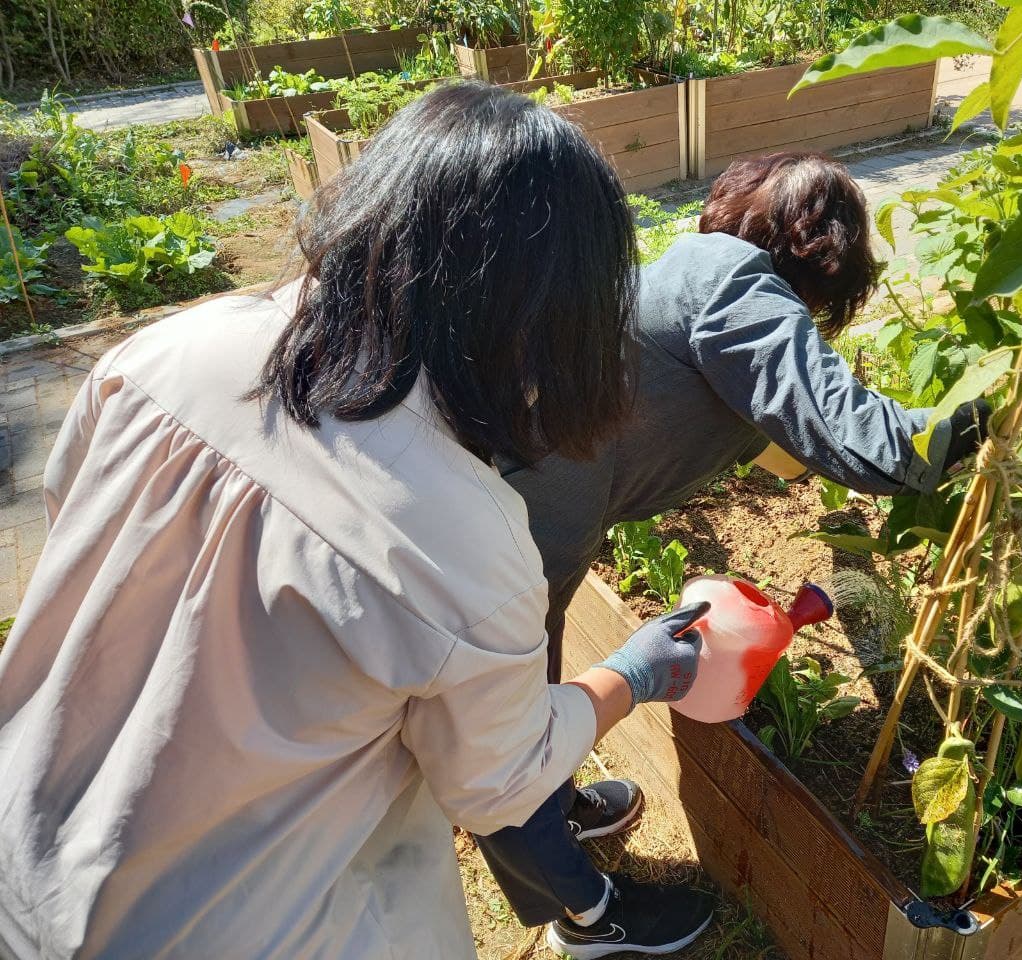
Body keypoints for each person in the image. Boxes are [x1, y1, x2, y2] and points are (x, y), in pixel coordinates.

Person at [0, 82, 717, 960]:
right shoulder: (460, 529)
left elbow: (69, 512)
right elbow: (500, 783)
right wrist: (631, 677)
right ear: (544, 314)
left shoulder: (168, 349)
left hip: (20, 849)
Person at [479, 151, 990, 958]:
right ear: (820, 255)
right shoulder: (736, 282)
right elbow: (873, 446)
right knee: (498, 720)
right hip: (514, 524)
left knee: (518, 688)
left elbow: (780, 443)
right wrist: (996, 402)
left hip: (528, 503)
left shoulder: (696, 270)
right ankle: (586, 916)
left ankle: (557, 802)